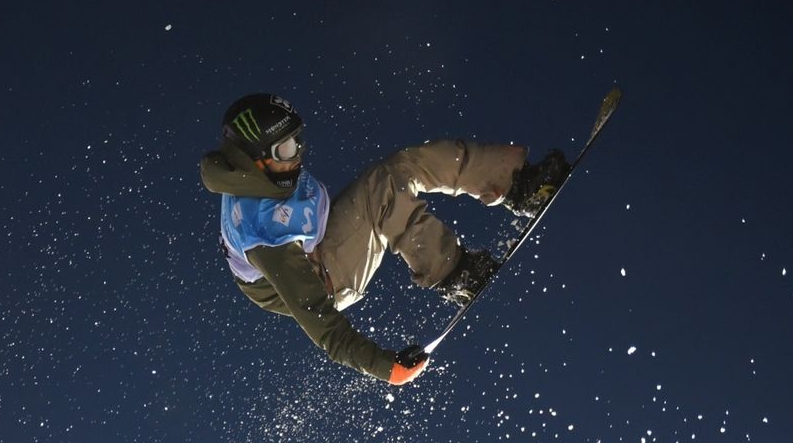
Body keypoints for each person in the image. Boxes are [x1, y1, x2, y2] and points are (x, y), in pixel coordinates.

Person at [202, 93, 569, 385]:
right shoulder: (262, 232)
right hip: (321, 277)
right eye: (285, 150)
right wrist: (384, 367)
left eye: (297, 141)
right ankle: (456, 273)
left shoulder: (266, 174)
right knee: (385, 190)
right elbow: (320, 321)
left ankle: (521, 183)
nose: (298, 155)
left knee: (399, 168)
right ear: (256, 159)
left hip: (317, 240)